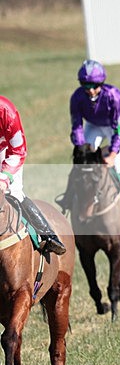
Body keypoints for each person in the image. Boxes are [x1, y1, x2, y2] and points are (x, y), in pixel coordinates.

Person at [59, 60, 120, 211]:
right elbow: (77, 125)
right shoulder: (77, 97)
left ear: (102, 83)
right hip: (94, 125)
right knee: (81, 164)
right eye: (86, 86)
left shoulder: (113, 96)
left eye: (95, 86)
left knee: (118, 164)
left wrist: (112, 153)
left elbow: (118, 129)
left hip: (115, 126)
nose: (91, 90)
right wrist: (81, 147)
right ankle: (68, 198)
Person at [0, 94, 66, 255]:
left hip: (8, 151)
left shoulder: (6, 110)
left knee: (13, 192)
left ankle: (47, 235)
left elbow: (18, 150)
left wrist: (4, 178)